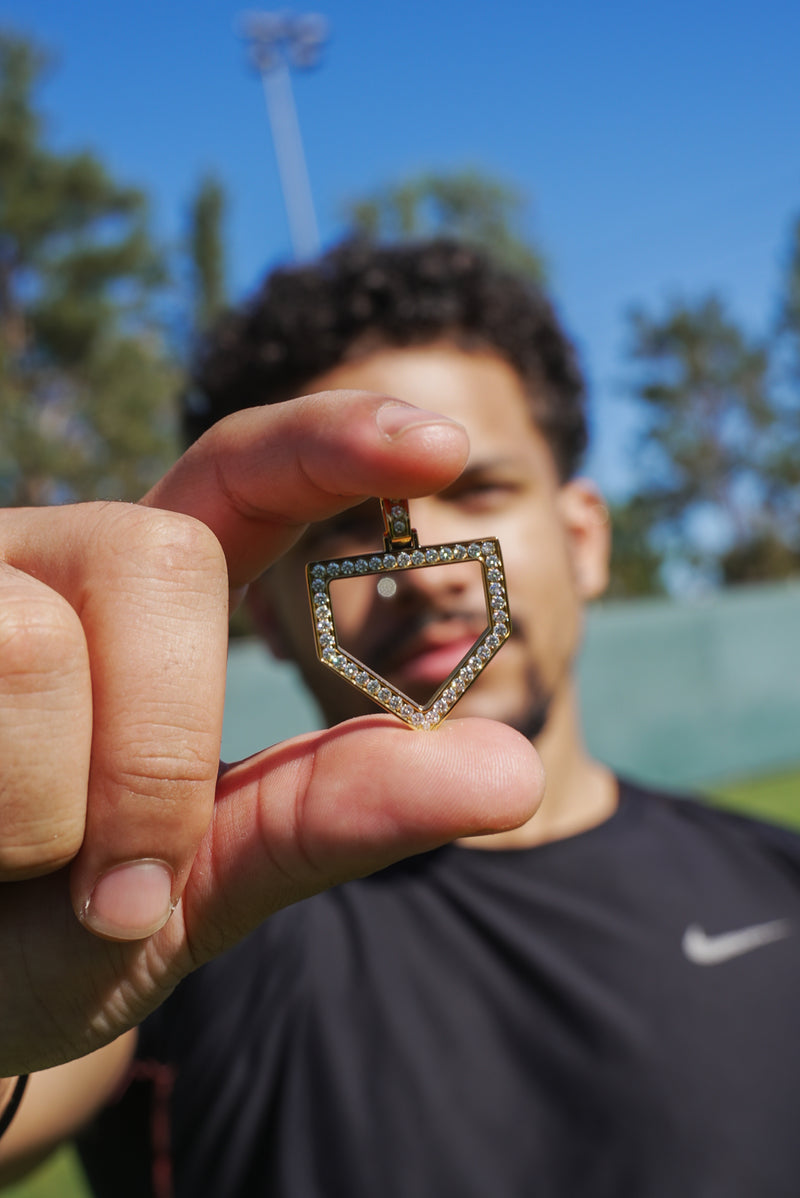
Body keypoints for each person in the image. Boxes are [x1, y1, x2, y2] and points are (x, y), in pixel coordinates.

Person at [1, 239, 799, 1198]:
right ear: (271, 617)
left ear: (584, 539)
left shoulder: (780, 878)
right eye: (343, 525)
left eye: (480, 491)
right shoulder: (164, 910)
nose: (422, 567)